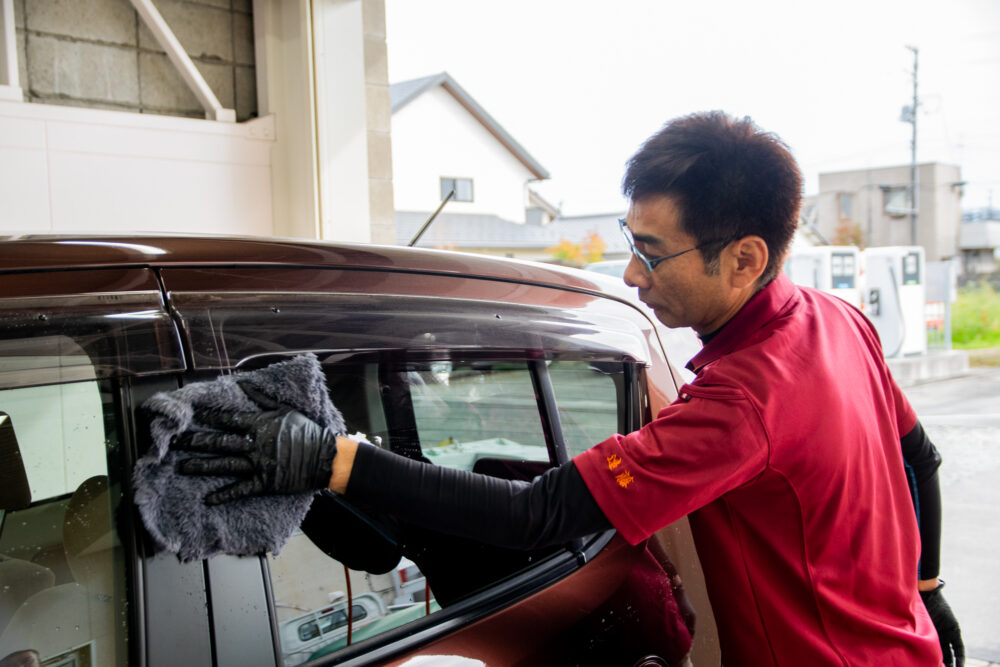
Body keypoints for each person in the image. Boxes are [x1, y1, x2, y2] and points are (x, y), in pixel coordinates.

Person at [174, 111, 963, 666]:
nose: (629, 272)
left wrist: (335, 461)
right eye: (631, 241)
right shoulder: (836, 320)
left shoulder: (741, 404)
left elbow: (537, 514)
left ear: (745, 259)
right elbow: (917, 455)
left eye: (651, 252)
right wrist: (927, 591)